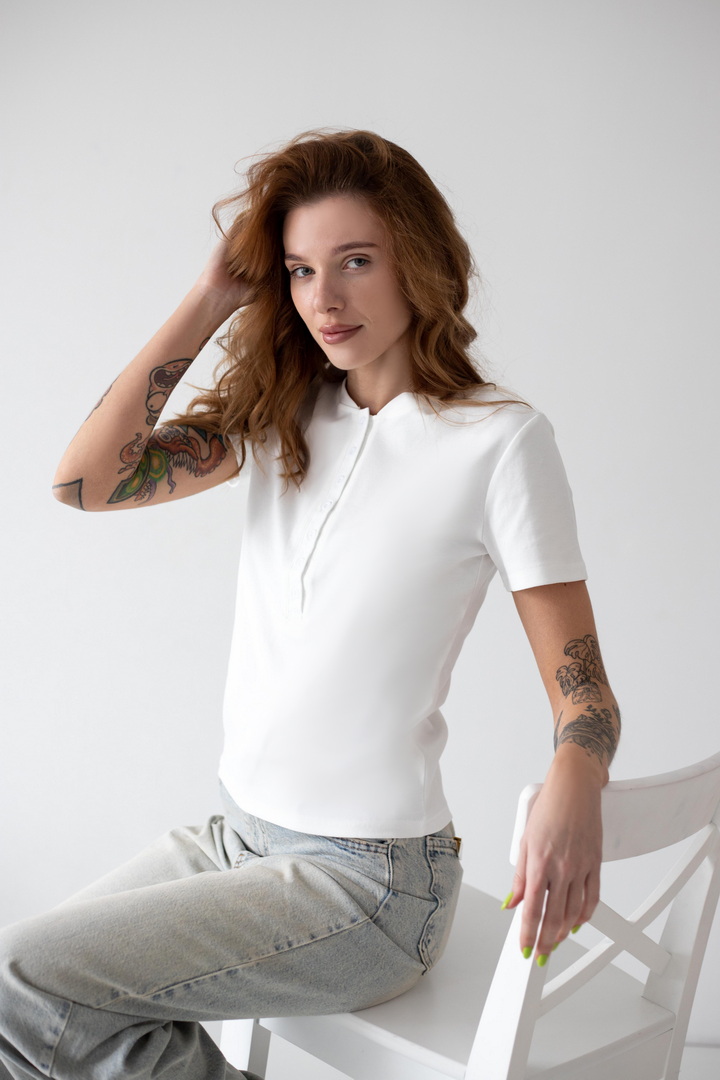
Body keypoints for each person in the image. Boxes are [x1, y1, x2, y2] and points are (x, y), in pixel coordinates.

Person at [0, 129, 620, 1080]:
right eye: (297, 270)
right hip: (235, 839)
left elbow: (586, 696)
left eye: (355, 261)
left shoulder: (499, 443)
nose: (323, 299)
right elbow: (85, 482)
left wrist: (576, 776)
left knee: (24, 983)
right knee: (34, 999)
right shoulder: (281, 415)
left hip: (372, 886)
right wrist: (212, 293)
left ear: (419, 261)